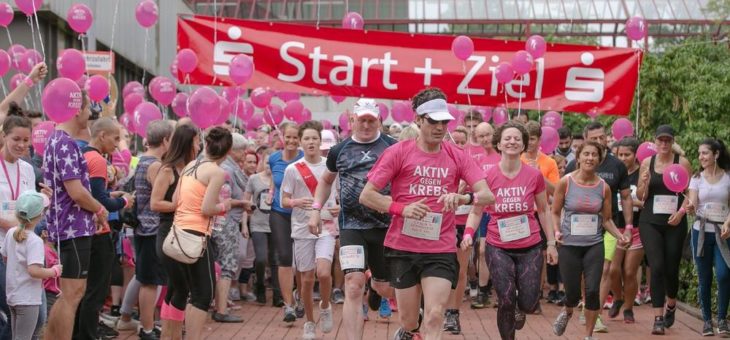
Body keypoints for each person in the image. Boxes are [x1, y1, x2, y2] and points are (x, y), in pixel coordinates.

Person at [359, 89, 495, 340]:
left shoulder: (457, 155)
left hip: (440, 248)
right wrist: (402, 209)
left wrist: (464, 198)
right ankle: (409, 331)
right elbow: (367, 195)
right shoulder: (398, 152)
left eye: (444, 121)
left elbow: (487, 195)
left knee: (434, 314)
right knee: (410, 320)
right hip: (403, 247)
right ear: (418, 120)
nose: (440, 127)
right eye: (433, 121)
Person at [307, 98, 397, 339]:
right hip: (352, 227)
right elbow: (325, 181)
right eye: (361, 120)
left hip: (385, 226)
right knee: (353, 284)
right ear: (352, 122)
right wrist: (316, 209)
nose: (366, 125)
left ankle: (376, 289)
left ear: (379, 121)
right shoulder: (339, 150)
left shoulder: (392, 146)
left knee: (385, 287)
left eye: (371, 120)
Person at [478, 121, 556, 340]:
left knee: (530, 302)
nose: (512, 142)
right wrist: (469, 234)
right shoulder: (488, 175)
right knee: (505, 298)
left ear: (523, 145)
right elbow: (476, 209)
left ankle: (522, 308)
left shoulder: (534, 175)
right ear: (499, 144)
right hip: (498, 245)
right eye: (507, 138)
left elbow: (543, 209)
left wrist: (551, 243)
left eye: (517, 139)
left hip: (530, 245)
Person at [43, 92, 109, 340]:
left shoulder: (55, 139)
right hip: (73, 227)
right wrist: (99, 209)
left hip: (67, 226)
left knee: (68, 294)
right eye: (86, 108)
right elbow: (77, 191)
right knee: (72, 294)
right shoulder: (66, 143)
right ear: (76, 109)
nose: (89, 113)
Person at [552, 140, 630, 340]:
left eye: (594, 155)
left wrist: (620, 235)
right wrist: (557, 232)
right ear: (578, 158)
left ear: (599, 159)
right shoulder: (566, 182)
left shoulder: (604, 187)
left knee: (593, 290)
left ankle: (588, 335)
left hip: (594, 244)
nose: (590, 158)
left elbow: (606, 220)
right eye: (586, 154)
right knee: (572, 292)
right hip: (569, 245)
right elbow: (555, 212)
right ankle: (568, 310)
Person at [169, 127, 232, 340]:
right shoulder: (216, 172)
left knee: (191, 292)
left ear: (205, 145)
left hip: (178, 232)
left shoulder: (189, 166)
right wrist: (225, 205)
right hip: (196, 236)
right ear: (228, 151)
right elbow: (207, 209)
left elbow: (176, 200)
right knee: (203, 294)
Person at [75, 118, 134, 340]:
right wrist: (125, 202)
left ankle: (78, 333)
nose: (118, 144)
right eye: (115, 138)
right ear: (102, 136)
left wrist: (111, 195)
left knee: (83, 290)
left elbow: (92, 195)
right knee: (96, 291)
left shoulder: (83, 155)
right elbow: (100, 202)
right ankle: (88, 335)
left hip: (84, 229)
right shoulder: (97, 160)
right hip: (98, 231)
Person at [281, 121, 337, 339]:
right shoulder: (292, 169)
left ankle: (325, 305)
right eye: (307, 138)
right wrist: (296, 201)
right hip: (302, 227)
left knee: (323, 272)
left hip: (327, 226)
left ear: (320, 141)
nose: (311, 142)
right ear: (301, 142)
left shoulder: (330, 167)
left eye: (315, 138)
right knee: (306, 279)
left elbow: (340, 196)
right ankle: (310, 323)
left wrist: (338, 207)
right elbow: (283, 200)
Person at [0, 104, 50, 340]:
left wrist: (45, 200)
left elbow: (30, 207)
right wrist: (18, 227)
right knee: (16, 313)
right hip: (3, 251)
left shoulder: (28, 169)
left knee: (37, 316)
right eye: (16, 139)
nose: (21, 145)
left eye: (26, 140)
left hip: (25, 249)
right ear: (4, 136)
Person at [636, 125, 692, 335]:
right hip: (650, 221)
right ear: (655, 141)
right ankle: (658, 318)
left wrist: (681, 213)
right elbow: (641, 196)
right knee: (657, 266)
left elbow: (690, 194)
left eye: (668, 140)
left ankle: (671, 304)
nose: (664, 144)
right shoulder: (647, 163)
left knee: (671, 268)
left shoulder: (682, 163)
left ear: (672, 141)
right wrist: (644, 183)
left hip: (674, 223)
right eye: (661, 140)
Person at [150, 124, 200, 340]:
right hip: (168, 236)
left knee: (176, 288)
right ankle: (172, 334)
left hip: (185, 233)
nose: (199, 146)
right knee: (180, 287)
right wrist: (180, 205)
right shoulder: (167, 170)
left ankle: (170, 335)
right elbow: (155, 203)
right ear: (187, 143)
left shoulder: (190, 169)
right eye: (197, 141)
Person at [133, 120, 174, 340]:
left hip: (144, 228)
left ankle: (148, 325)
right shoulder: (156, 165)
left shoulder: (142, 160)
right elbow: (161, 198)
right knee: (150, 282)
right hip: (151, 229)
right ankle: (146, 328)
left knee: (149, 280)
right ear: (166, 140)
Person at [687, 138, 730, 336]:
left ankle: (722, 318)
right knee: (704, 278)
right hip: (701, 232)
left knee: (724, 274)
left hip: (724, 233)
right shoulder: (696, 178)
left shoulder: (728, 177)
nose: (701, 157)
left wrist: (728, 222)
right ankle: (706, 320)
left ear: (716, 154)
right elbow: (693, 202)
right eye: (699, 153)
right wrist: (689, 207)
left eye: (704, 153)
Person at [3, 192, 61, 340]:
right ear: (41, 214)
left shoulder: (10, 233)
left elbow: (5, 257)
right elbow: (34, 271)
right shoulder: (34, 241)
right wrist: (54, 271)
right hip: (28, 298)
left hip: (13, 294)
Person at [267, 122, 304, 320]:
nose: (290, 141)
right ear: (282, 137)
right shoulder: (273, 158)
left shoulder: (304, 159)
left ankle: (299, 295)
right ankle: (288, 305)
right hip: (279, 212)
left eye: (294, 137)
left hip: (300, 214)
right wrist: (271, 192)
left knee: (302, 260)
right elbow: (274, 180)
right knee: (284, 257)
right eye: (287, 137)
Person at [211, 133, 248, 323]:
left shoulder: (229, 168)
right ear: (232, 150)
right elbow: (224, 199)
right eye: (242, 150)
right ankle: (221, 309)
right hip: (224, 222)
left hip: (224, 221)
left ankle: (220, 303)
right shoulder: (226, 170)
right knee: (227, 265)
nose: (245, 154)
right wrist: (243, 203)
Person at [608, 138, 645, 324]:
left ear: (636, 155)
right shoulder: (613, 172)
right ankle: (618, 297)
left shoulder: (642, 174)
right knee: (613, 270)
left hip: (637, 228)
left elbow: (648, 201)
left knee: (629, 271)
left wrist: (632, 201)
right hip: (616, 227)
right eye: (619, 154)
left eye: (627, 154)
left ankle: (629, 308)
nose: (623, 158)